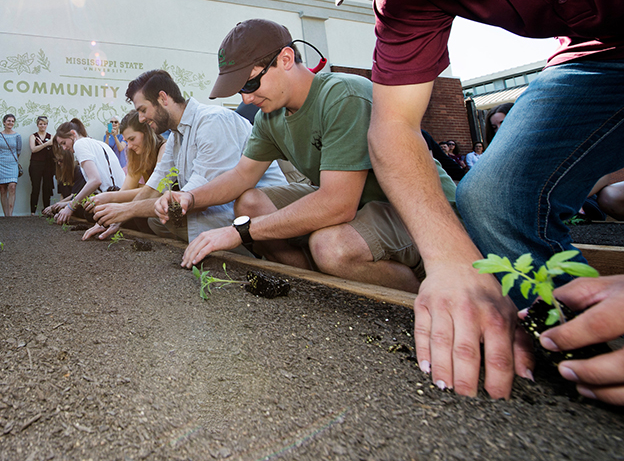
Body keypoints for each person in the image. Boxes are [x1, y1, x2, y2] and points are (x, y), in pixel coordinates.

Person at [309, 0, 624, 401]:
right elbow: (393, 126)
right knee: (492, 200)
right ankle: (584, 357)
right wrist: (451, 261)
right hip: (599, 56)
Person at [166, 20, 455, 293]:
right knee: (250, 203)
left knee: (331, 248)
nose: (246, 99)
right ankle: (312, 289)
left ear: (286, 59)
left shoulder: (342, 97)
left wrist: (239, 233)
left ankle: (428, 295)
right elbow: (242, 176)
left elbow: (338, 204)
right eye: (240, 90)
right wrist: (192, 198)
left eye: (251, 83)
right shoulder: (270, 118)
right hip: (361, 208)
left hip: (415, 207)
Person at [92, 70, 286, 242]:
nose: (141, 119)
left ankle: (245, 256)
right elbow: (154, 187)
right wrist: (118, 220)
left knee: (163, 216)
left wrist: (126, 210)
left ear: (163, 98)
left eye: (143, 110)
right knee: (156, 220)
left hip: (263, 211)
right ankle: (205, 249)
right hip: (220, 212)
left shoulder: (212, 121)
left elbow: (195, 198)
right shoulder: (176, 136)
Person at [82, 110, 166, 240]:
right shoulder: (136, 154)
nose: (129, 146)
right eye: (127, 140)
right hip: (153, 205)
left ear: (147, 132)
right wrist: (110, 220)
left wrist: (110, 197)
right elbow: (126, 190)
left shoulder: (164, 148)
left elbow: (155, 190)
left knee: (147, 218)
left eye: (132, 139)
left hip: (168, 206)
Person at [52, 119, 127, 225]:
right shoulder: (98, 143)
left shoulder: (79, 144)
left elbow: (95, 180)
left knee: (80, 210)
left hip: (111, 201)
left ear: (73, 134)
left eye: (64, 143)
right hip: (120, 197)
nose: (64, 148)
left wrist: (70, 207)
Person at [0, 114, 22, 217]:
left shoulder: (17, 136)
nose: (10, 123)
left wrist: (11, 159)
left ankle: (10, 215)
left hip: (12, 163)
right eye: (8, 121)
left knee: (12, 186)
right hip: (0, 163)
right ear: (4, 122)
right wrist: (2, 158)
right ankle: (5, 215)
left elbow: (19, 151)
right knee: (2, 189)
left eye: (12, 121)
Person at [28, 116, 56, 215]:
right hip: (36, 164)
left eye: (44, 124)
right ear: (37, 125)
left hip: (48, 165)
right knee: (35, 188)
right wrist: (46, 144)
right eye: (40, 124)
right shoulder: (33, 136)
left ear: (47, 125)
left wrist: (42, 145)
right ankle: (32, 211)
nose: (42, 126)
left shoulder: (51, 136)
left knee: (47, 188)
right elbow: (33, 149)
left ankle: (46, 210)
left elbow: (53, 149)